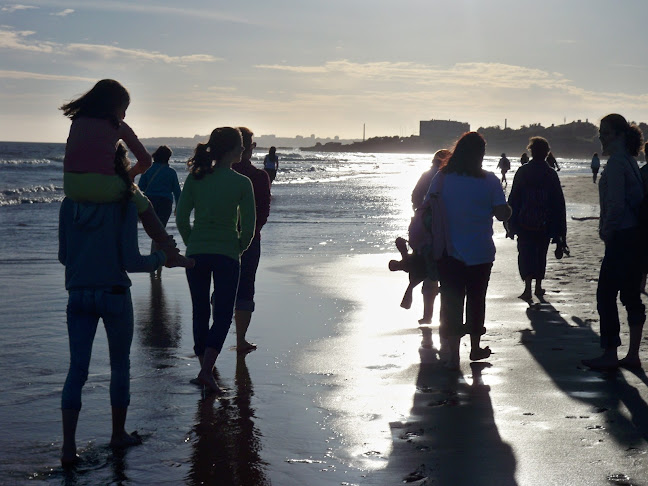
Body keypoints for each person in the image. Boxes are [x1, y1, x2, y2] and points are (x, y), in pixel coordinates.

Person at [58, 143, 171, 466]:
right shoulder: (123, 205)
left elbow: (64, 256)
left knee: (76, 370)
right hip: (114, 294)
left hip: (78, 294)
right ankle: (117, 433)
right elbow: (133, 261)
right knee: (119, 366)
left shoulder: (68, 204)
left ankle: (68, 448)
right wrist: (163, 257)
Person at [60, 79, 192, 269]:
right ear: (114, 106)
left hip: (71, 187)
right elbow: (146, 160)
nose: (124, 114)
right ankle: (169, 250)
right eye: (124, 108)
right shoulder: (118, 125)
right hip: (104, 186)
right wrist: (131, 174)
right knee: (144, 205)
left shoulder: (77, 121)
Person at [176, 128, 256, 393]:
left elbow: (181, 217)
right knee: (222, 314)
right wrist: (239, 248)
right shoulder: (242, 183)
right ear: (233, 150)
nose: (244, 151)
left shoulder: (196, 178)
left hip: (197, 253)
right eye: (241, 147)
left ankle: (204, 369)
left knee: (200, 310)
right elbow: (249, 226)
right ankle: (205, 370)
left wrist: (192, 243)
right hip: (227, 255)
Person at [426, 132, 511, 370]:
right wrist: (509, 210)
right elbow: (502, 213)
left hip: (448, 251)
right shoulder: (490, 181)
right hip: (480, 251)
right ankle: (475, 347)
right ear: (480, 154)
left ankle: (452, 353)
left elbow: (427, 207)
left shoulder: (442, 178)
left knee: (451, 302)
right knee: (476, 299)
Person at [582, 114, 645, 370]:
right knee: (631, 295)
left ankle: (610, 353)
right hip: (634, 237)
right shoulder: (629, 161)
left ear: (620, 135)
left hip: (621, 236)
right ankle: (632, 355)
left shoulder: (618, 163)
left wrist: (606, 231)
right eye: (600, 133)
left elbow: (616, 204)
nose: (601, 137)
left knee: (606, 295)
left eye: (606, 133)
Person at [507, 137, 567, 300]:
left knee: (525, 253)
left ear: (531, 151)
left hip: (524, 221)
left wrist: (509, 224)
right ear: (547, 152)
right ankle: (538, 287)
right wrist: (561, 232)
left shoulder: (523, 171)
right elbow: (558, 203)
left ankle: (527, 288)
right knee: (541, 254)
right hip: (545, 223)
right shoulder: (550, 173)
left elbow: (514, 198)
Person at [232, 127, 272, 353]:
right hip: (250, 238)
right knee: (246, 286)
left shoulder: (219, 174)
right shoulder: (258, 176)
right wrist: (253, 230)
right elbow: (264, 211)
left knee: (222, 286)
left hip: (222, 237)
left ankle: (216, 334)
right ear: (249, 148)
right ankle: (240, 339)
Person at [410, 149, 451, 324]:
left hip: (426, 232)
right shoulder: (450, 177)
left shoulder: (427, 175)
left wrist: (421, 215)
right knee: (448, 276)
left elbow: (415, 197)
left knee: (428, 274)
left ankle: (428, 315)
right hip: (448, 231)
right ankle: (446, 317)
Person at [138, 145, 182, 277]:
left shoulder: (148, 171)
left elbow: (140, 188)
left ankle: (155, 259)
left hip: (149, 201)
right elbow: (177, 192)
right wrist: (178, 208)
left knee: (152, 229)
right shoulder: (171, 172)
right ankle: (156, 260)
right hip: (165, 203)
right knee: (160, 229)